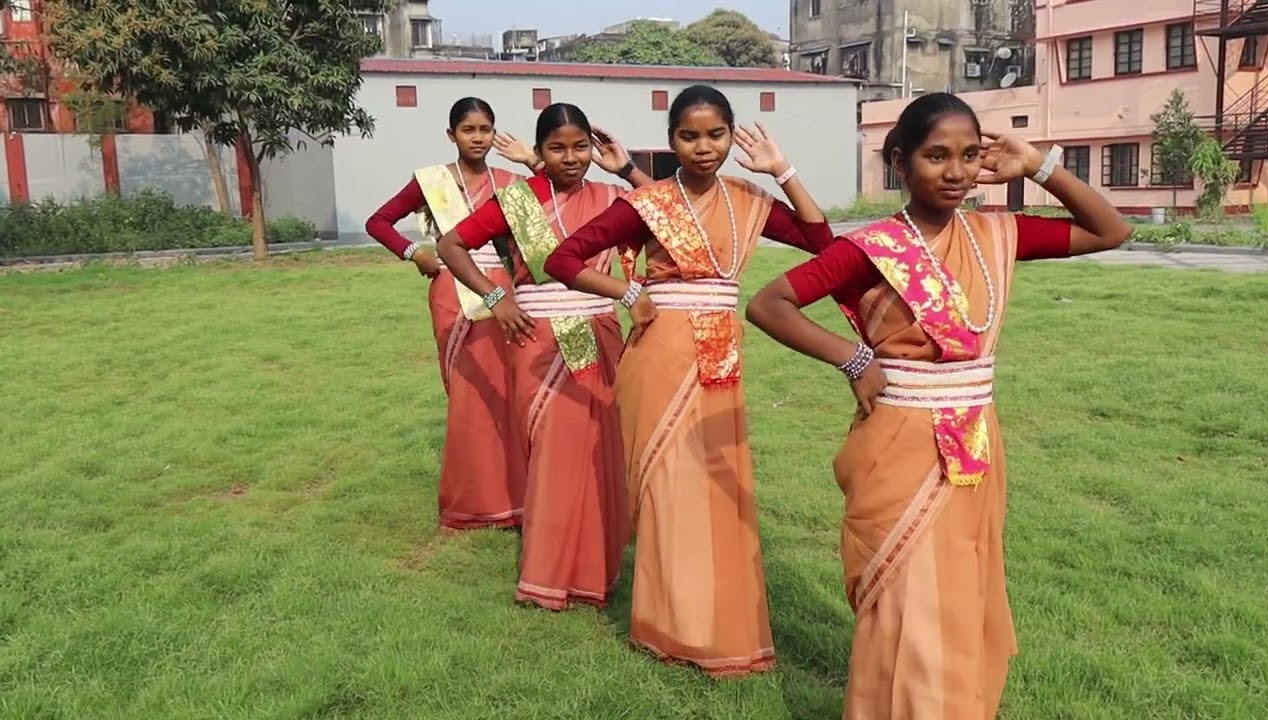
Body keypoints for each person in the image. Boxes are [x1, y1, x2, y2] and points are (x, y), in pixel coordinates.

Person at [743, 92, 1133, 717]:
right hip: (900, 440)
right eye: (935, 156)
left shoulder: (995, 234)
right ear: (900, 163)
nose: (955, 172)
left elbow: (1112, 230)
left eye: (969, 155)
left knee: (958, 585)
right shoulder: (871, 247)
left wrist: (1038, 165)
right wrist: (855, 358)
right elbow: (768, 305)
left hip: (976, 435)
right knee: (906, 592)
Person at [543, 84, 836, 677]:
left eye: (716, 135)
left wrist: (785, 172)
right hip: (662, 352)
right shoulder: (648, 203)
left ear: (732, 136)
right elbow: (562, 260)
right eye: (689, 136)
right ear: (671, 140)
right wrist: (628, 292)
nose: (704, 148)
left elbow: (821, 244)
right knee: (668, 491)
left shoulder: (747, 199)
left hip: (721, 352)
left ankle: (717, 622)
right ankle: (667, 625)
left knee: (716, 490)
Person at [436, 103, 652, 611]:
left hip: (597, 331)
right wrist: (495, 297)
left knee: (599, 449)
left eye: (580, 147)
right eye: (557, 148)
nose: (571, 158)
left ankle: (595, 568)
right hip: (539, 339)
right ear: (540, 151)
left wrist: (624, 167)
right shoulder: (519, 200)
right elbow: (451, 246)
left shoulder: (613, 196)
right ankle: (549, 573)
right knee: (554, 453)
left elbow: (674, 212)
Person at [365, 97, 540, 533]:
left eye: (485, 129)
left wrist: (533, 161)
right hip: (452, 290)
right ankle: (476, 503)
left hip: (503, 289)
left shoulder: (511, 181)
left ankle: (518, 499)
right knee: (472, 396)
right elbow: (379, 221)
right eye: (468, 130)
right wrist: (412, 252)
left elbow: (555, 208)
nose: (477, 137)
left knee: (511, 392)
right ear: (452, 135)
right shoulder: (432, 181)